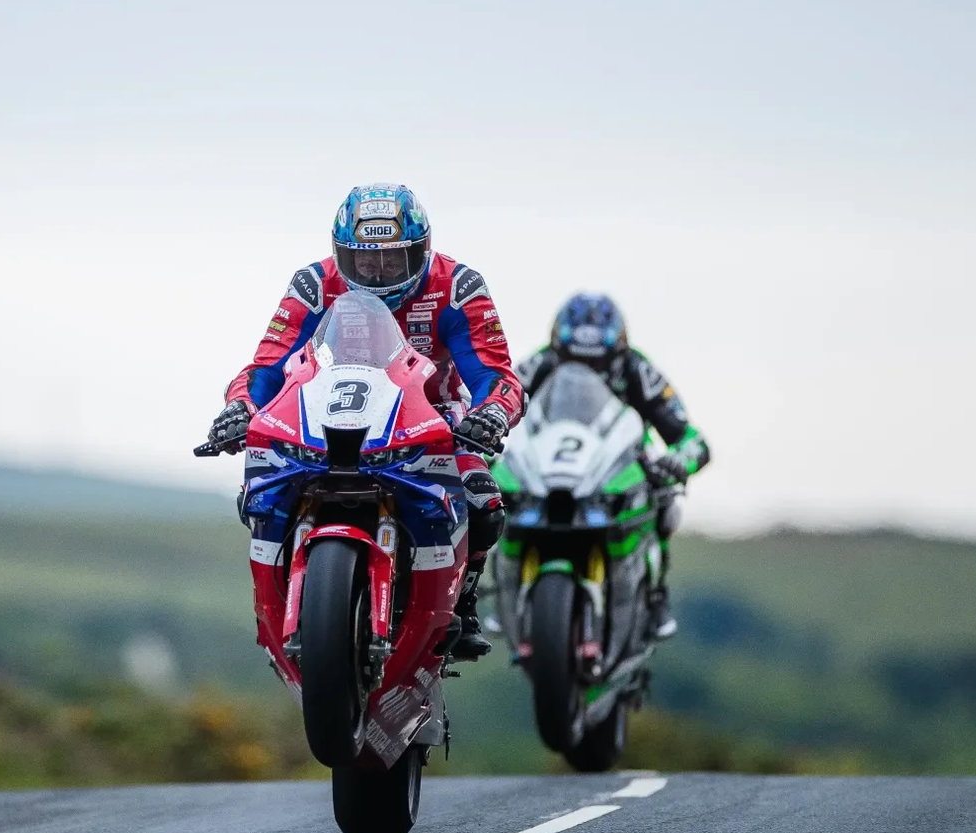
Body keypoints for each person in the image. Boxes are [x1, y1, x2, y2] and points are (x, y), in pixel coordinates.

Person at [205, 183, 524, 660]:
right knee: (260, 492)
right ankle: (281, 595)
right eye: (364, 261)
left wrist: (491, 413)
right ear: (341, 254)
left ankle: (465, 597)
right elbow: (268, 365)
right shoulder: (313, 285)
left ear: (421, 250)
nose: (378, 272)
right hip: (325, 414)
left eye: (394, 259)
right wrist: (240, 408)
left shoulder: (459, 287)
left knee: (483, 499)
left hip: (432, 417)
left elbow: (494, 373)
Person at [513, 292, 711, 640]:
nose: (587, 371)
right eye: (574, 360)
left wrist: (679, 460)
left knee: (664, 499)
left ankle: (655, 593)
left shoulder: (639, 370)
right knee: (497, 496)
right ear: (558, 348)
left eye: (599, 363)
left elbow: (691, 438)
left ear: (618, 351)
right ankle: (500, 588)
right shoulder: (539, 364)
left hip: (620, 467)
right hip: (551, 465)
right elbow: (497, 401)